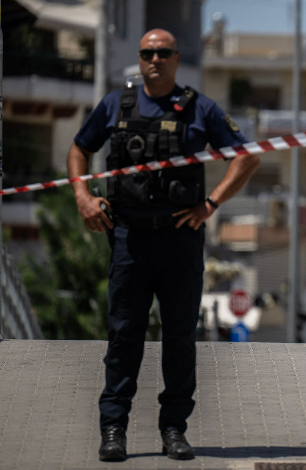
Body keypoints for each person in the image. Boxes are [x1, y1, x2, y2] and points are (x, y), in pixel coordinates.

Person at [67, 29, 259, 462]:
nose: (155, 59)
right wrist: (83, 197)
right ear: (140, 58)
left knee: (178, 340)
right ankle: (113, 428)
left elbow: (247, 156)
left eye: (163, 53)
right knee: (123, 337)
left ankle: (174, 429)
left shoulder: (199, 108)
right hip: (129, 238)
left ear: (176, 59)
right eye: (148, 53)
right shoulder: (117, 104)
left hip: (180, 241)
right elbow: (79, 149)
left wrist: (210, 204)